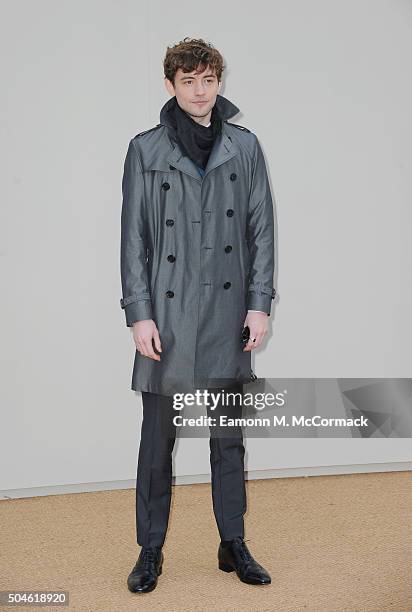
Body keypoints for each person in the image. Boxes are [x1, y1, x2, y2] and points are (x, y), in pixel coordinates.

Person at [120, 37, 278, 593]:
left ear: (219, 82)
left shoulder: (245, 146)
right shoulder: (145, 150)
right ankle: (149, 550)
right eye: (188, 81)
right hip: (166, 315)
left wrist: (259, 305)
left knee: (228, 438)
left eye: (208, 79)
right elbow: (135, 239)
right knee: (157, 439)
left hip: (229, 312)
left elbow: (261, 231)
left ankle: (232, 542)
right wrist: (139, 314)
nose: (200, 90)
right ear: (171, 86)